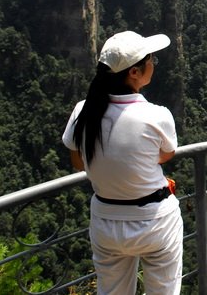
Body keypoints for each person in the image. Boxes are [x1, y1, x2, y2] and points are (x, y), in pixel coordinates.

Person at [62, 30, 183, 295]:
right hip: (155, 222)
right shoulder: (156, 115)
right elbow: (165, 155)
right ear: (134, 73)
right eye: (151, 59)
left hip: (106, 221)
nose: (154, 63)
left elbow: (78, 162)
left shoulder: (83, 111)